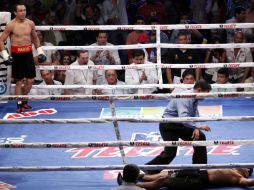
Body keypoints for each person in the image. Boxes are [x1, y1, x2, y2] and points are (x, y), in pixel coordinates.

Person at [145, 81, 212, 174]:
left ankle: (199, 169)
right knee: (170, 153)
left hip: (180, 125)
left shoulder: (194, 97)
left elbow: (195, 113)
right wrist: (199, 126)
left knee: (200, 137)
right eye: (205, 94)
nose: (206, 97)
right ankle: (147, 170)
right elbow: (183, 118)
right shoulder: (185, 97)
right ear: (199, 90)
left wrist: (196, 128)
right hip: (169, 125)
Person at [0, 2, 46, 113]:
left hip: (28, 54)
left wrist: (40, 51)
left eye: (24, 10)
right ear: (15, 12)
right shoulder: (11, 24)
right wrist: (5, 55)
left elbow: (35, 38)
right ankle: (20, 104)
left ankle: (23, 100)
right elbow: (1, 40)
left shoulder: (30, 23)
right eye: (20, 11)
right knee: (19, 81)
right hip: (17, 55)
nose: (23, 12)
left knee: (30, 80)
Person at [116, 164, 254, 190]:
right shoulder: (232, 168)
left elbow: (248, 183)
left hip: (198, 181)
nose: (240, 166)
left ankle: (129, 185)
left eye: (244, 167)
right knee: (164, 174)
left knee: (163, 182)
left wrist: (250, 180)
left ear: (246, 171)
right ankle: (139, 177)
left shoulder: (239, 178)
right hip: (196, 172)